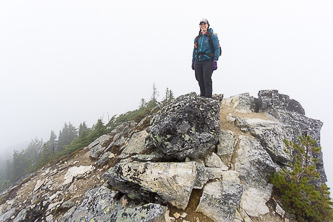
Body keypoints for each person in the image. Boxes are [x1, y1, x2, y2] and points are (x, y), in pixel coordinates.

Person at [192, 18, 220, 98]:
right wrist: (193, 61)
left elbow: (217, 48)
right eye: (201, 24)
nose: (203, 26)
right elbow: (194, 50)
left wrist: (215, 60)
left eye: (204, 24)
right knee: (199, 78)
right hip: (198, 60)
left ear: (207, 25)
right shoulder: (197, 38)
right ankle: (202, 95)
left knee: (206, 78)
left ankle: (208, 97)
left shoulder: (212, 37)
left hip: (208, 60)